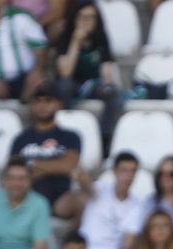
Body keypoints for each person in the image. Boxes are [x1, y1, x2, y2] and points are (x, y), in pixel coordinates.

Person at [51, 3, 120, 148]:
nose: (86, 21)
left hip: (93, 85)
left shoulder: (101, 38)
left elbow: (106, 69)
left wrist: (106, 84)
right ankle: (68, 128)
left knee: (112, 93)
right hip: (72, 85)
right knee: (64, 86)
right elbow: (65, 72)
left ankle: (104, 136)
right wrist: (76, 42)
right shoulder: (65, 38)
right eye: (82, 17)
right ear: (74, 19)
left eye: (91, 17)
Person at [9, 80, 82, 218]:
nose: (42, 105)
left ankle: (74, 240)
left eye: (48, 101)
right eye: (38, 101)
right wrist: (54, 167)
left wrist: (31, 164)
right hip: (28, 195)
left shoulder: (70, 137)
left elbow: (68, 166)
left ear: (58, 104)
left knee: (80, 200)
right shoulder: (21, 139)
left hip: (60, 198)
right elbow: (12, 170)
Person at [76, 151, 143, 249]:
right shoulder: (100, 188)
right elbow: (87, 187)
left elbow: (128, 244)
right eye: (124, 170)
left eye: (133, 171)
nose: (129, 176)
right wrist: (82, 177)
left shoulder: (137, 206)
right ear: (114, 171)